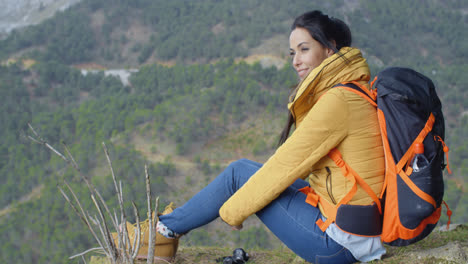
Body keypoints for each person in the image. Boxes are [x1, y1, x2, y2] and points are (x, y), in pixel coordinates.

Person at [156, 10, 386, 263]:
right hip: (356, 227)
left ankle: (162, 233)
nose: (295, 61)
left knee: (239, 174)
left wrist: (234, 210)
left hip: (341, 244)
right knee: (243, 172)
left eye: (304, 49)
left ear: (330, 49)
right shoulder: (352, 90)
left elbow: (286, 165)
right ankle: (167, 227)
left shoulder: (338, 101)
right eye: (292, 53)